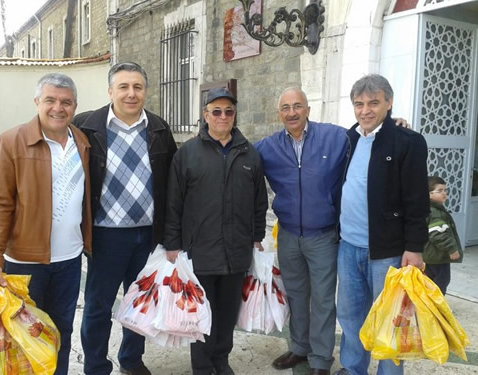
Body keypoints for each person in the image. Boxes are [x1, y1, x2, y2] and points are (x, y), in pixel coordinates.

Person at [0, 73, 92, 375]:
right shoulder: (11, 141)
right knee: (23, 337)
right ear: (37, 102)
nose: (59, 108)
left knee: (61, 332)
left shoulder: (80, 141)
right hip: (24, 263)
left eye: (66, 102)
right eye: (51, 100)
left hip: (69, 262)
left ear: (75, 106)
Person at [73, 62, 177, 375]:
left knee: (140, 304)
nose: (131, 94)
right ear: (110, 91)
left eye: (137, 87)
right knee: (98, 306)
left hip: (148, 235)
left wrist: (171, 235)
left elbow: (171, 184)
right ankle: (95, 365)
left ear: (145, 91)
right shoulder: (85, 126)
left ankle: (131, 360)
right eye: (123, 87)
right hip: (105, 236)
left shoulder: (159, 128)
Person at [163, 88, 268, 375]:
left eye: (229, 111)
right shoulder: (187, 154)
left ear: (235, 116)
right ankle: (202, 365)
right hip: (201, 250)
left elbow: (260, 200)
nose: (223, 116)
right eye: (217, 111)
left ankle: (221, 360)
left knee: (226, 313)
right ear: (205, 115)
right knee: (200, 313)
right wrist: (173, 243)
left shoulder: (249, 153)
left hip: (236, 252)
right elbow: (174, 203)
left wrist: (257, 236)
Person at [334, 74, 429, 375]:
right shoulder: (348, 139)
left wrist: (414, 248)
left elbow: (417, 200)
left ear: (388, 103)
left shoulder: (408, 142)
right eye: (359, 104)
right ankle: (353, 369)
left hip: (387, 251)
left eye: (374, 103)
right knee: (351, 315)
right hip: (348, 246)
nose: (366, 110)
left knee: (392, 319)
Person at [255, 87, 348, 375]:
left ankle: (320, 359)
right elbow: (239, 157)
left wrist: (393, 125)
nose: (292, 112)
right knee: (295, 294)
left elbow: (367, 134)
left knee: (321, 299)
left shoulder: (334, 137)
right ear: (279, 113)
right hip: (289, 234)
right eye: (285, 107)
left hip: (323, 235)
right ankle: (299, 347)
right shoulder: (267, 147)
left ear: (308, 109)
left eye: (297, 106)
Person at [423, 176, 463, 295]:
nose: (444, 193)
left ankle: (429, 306)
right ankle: (437, 307)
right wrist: (452, 249)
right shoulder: (435, 212)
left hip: (430, 256)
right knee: (441, 281)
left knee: (430, 281)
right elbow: (438, 234)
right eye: (440, 191)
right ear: (429, 194)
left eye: (445, 190)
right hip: (437, 257)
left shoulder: (432, 209)